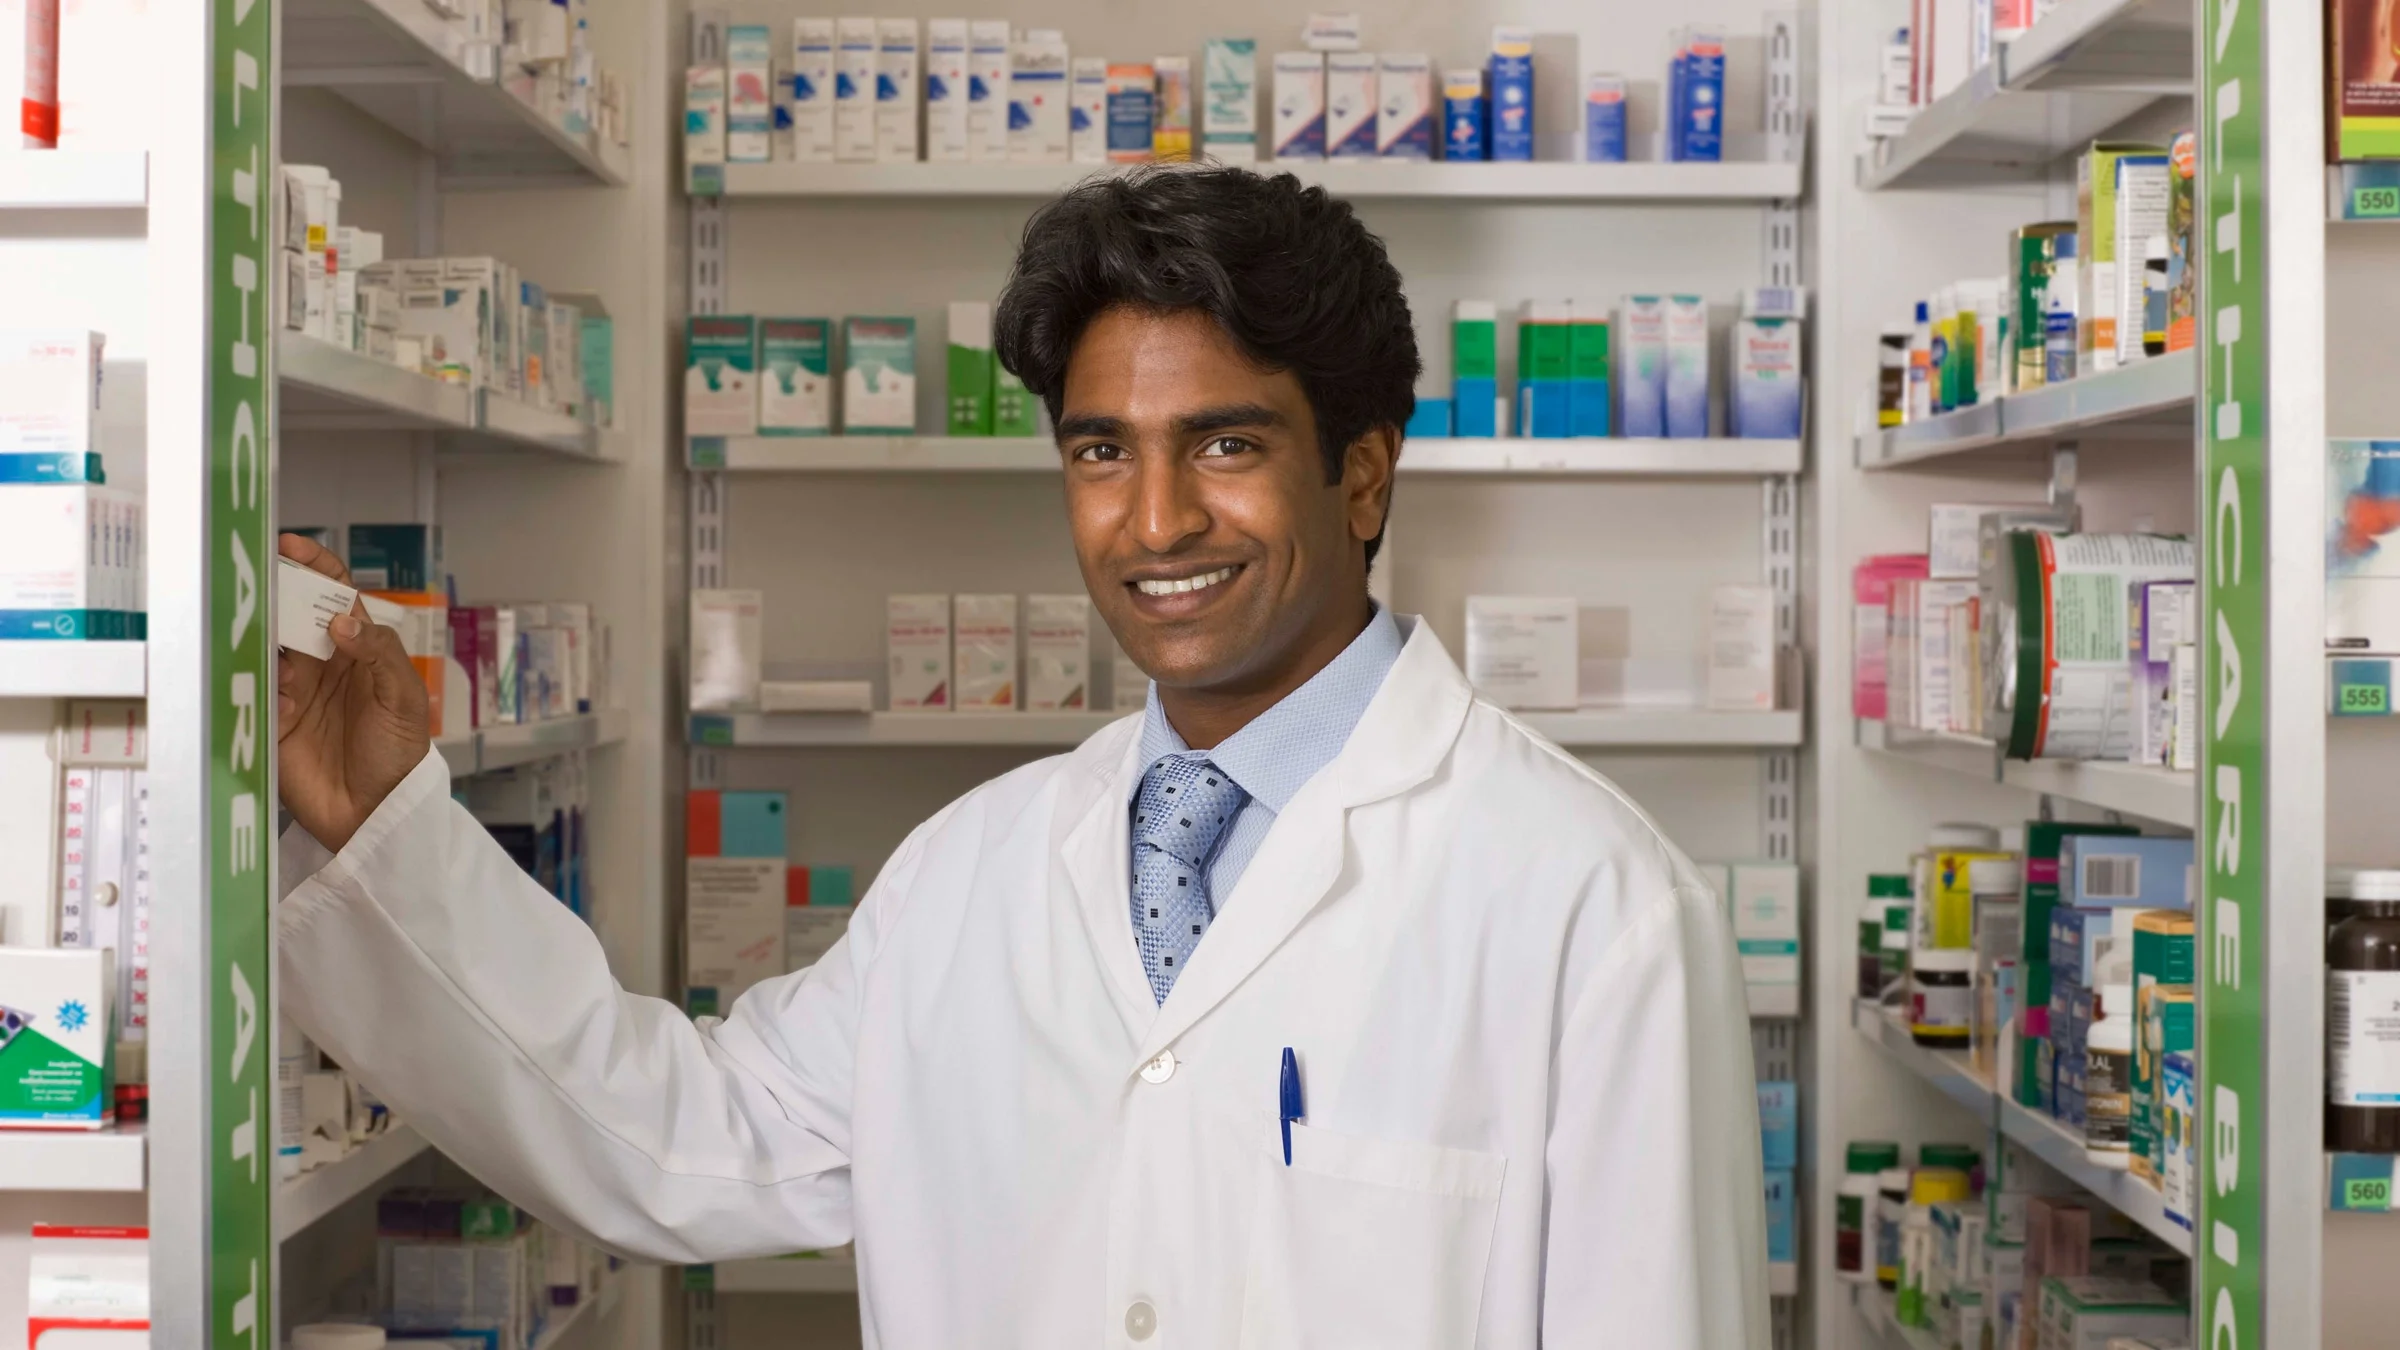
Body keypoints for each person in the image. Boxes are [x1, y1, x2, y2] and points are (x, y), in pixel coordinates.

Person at [276, 166, 1767, 1348]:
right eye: (1102, 450)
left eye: (1228, 445)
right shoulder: (969, 874)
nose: (1156, 519)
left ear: (1363, 472)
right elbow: (676, 1137)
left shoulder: (1592, 904)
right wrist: (388, 835)